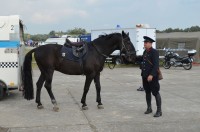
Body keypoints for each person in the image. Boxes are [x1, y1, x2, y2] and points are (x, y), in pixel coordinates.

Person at [140, 36, 162, 117]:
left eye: (146, 42)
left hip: (152, 77)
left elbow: (156, 65)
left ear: (150, 43)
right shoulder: (145, 52)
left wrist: (151, 75)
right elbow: (143, 62)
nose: (144, 44)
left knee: (155, 92)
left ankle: (159, 111)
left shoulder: (154, 52)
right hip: (145, 76)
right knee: (147, 92)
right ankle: (149, 108)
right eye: (144, 42)